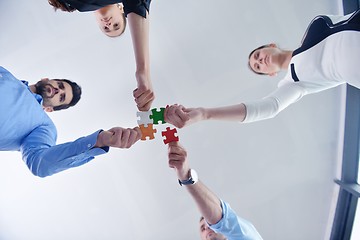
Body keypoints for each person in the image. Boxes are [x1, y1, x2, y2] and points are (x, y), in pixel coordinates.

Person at [164, 10, 360, 128]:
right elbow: (268, 108)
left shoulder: (314, 25)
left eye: (257, 56)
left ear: (271, 45)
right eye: (258, 66)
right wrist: (205, 113)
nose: (260, 61)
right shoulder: (295, 83)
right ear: (271, 74)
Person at [0, 66, 141, 178]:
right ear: (46, 79)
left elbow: (41, 163)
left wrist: (98, 141)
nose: (57, 90)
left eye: (61, 97)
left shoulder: (43, 126)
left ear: (49, 109)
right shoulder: (5, 74)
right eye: (60, 85)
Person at [47, 0, 154, 111]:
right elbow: (137, 4)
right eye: (116, 25)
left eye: (106, 29)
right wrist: (143, 71)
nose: (109, 25)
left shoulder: (76, 5)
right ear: (122, 9)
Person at [167, 141, 263, 240]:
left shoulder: (245, 236)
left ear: (226, 235)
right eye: (203, 229)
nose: (208, 228)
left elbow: (225, 221)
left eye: (208, 225)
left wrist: (186, 177)